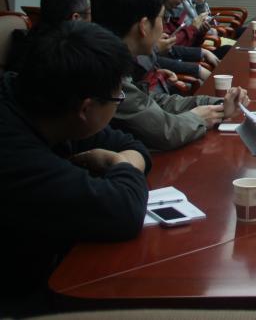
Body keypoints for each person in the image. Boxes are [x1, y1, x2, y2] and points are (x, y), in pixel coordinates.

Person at [0, 21, 150, 313]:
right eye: (118, 97)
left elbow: (133, 146)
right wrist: (121, 163)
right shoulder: (13, 151)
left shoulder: (47, 102)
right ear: (86, 109)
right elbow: (124, 210)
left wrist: (124, 162)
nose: (119, 103)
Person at [91, 0, 247, 151]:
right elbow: (165, 131)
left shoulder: (115, 61)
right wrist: (199, 118)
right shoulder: (106, 74)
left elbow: (153, 103)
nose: (164, 27)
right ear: (144, 26)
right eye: (161, 17)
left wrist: (216, 104)